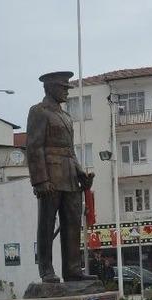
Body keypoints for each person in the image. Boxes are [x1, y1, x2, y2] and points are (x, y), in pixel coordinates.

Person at [27, 71, 95, 283]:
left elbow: (70, 150)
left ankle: (72, 270)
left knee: (73, 223)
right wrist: (40, 180)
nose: (66, 91)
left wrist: (80, 172)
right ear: (49, 88)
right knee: (47, 224)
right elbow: (34, 147)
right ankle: (46, 270)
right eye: (62, 87)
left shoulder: (66, 116)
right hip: (50, 177)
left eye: (67, 87)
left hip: (70, 177)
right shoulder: (39, 111)